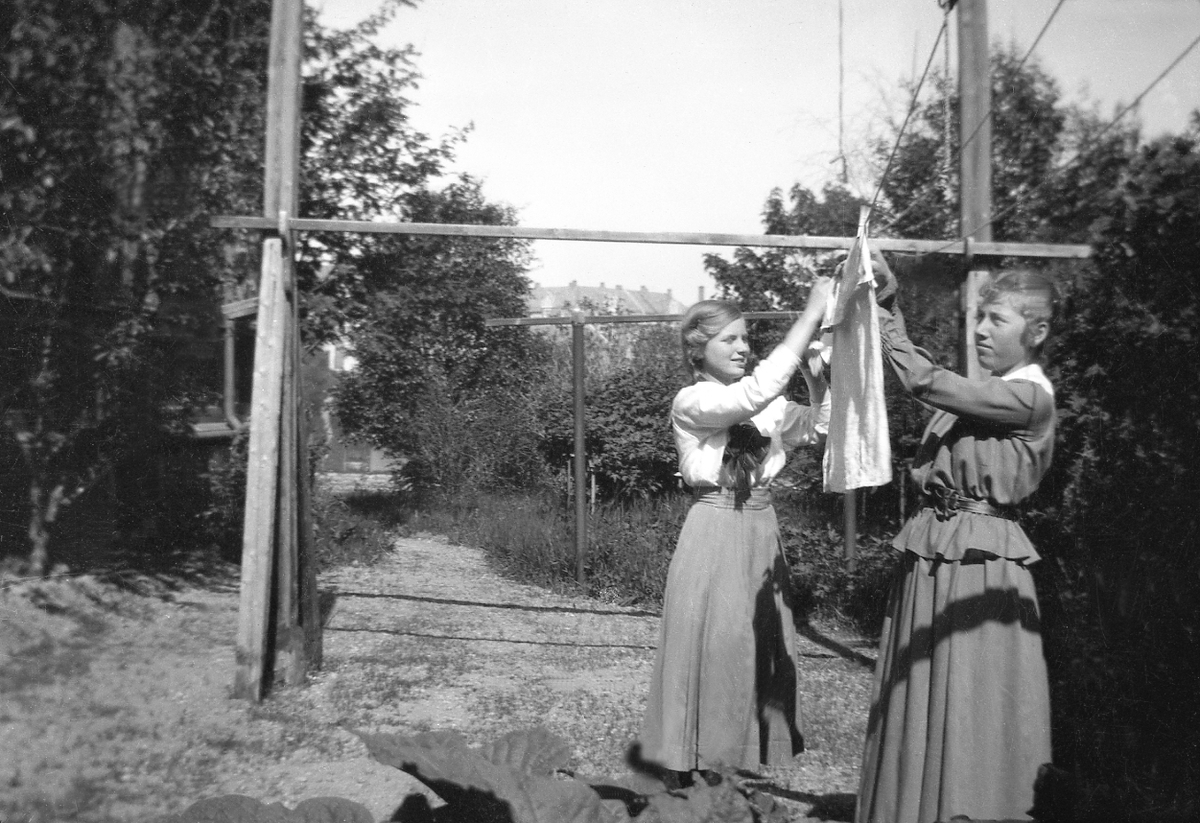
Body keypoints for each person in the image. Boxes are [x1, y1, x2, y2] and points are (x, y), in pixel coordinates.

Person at [856, 254, 1060, 823]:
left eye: (997, 319)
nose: (980, 329)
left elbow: (923, 380)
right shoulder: (987, 391)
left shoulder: (1029, 398)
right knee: (921, 695)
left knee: (970, 701)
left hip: (980, 565)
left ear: (1036, 332)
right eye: (980, 317)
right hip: (936, 553)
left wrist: (886, 314)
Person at [639, 277, 833, 786]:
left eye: (747, 338)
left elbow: (819, 429)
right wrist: (811, 314)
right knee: (713, 643)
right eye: (731, 339)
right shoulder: (693, 401)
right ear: (697, 349)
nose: (744, 347)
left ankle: (727, 765)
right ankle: (690, 771)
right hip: (714, 526)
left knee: (755, 645)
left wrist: (818, 384)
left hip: (760, 530)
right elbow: (751, 396)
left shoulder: (762, 404)